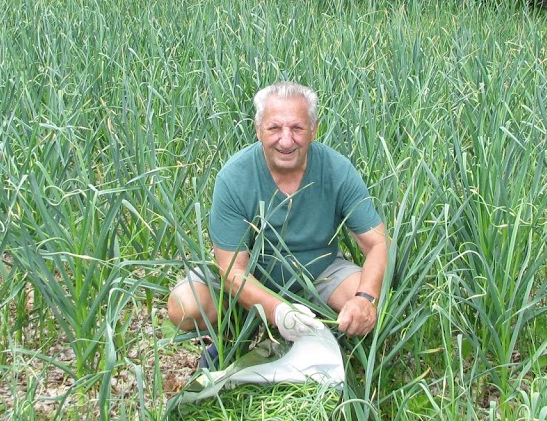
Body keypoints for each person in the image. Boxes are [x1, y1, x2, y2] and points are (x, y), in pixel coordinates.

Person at [166, 81, 388, 356]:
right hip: (251, 276)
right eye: (274, 128)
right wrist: (278, 310)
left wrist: (365, 299)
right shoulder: (234, 177)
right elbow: (231, 270)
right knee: (184, 305)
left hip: (321, 272)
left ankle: (327, 338)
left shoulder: (337, 169)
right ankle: (235, 332)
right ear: (258, 130)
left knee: (376, 298)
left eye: (297, 128)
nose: (286, 140)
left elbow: (378, 243)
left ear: (314, 129)